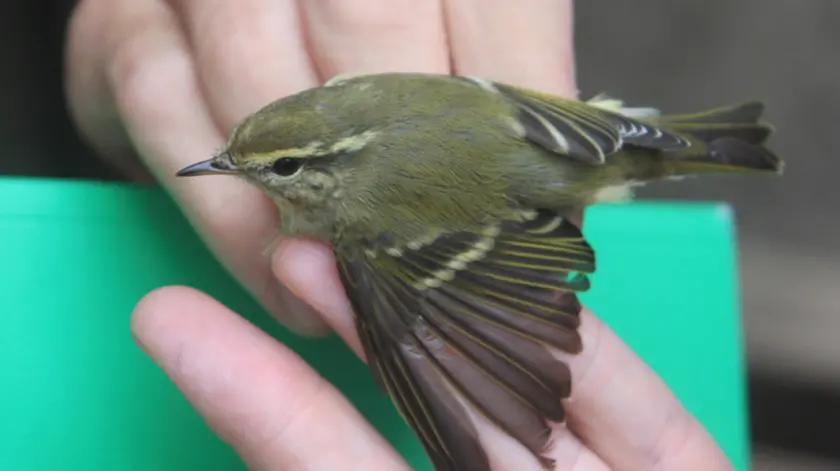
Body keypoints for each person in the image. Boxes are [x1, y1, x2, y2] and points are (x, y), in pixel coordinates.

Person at [65, 1, 734, 469]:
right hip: (562, 125)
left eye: (284, 167)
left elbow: (453, 319)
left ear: (327, 167)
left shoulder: (369, 219)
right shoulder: (365, 90)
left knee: (385, 313)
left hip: (535, 175)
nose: (236, 173)